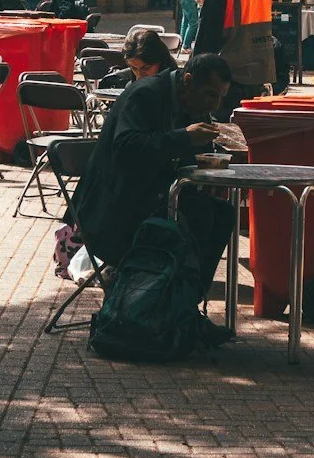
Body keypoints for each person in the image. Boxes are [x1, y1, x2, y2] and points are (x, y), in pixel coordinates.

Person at [69, 53, 234, 285]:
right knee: (198, 219)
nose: (215, 104)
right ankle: (169, 298)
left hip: (147, 196)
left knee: (221, 214)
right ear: (188, 81)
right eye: (210, 94)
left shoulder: (189, 103)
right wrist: (184, 137)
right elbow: (126, 149)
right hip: (113, 210)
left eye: (220, 97)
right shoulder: (146, 94)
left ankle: (184, 299)